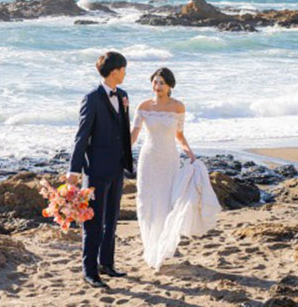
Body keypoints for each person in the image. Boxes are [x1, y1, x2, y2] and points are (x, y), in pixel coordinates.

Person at [130, 67, 220, 270]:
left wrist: (190, 153)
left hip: (169, 158)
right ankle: (150, 245)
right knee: (146, 202)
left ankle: (163, 245)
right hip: (148, 158)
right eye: (155, 82)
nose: (158, 86)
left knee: (166, 202)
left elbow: (179, 135)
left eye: (162, 82)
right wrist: (122, 152)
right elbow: (134, 134)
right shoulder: (144, 106)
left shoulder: (178, 107)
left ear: (170, 85)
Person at [67, 51, 134, 289]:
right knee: (93, 222)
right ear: (114, 72)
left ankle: (107, 263)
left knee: (112, 219)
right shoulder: (91, 98)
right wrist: (74, 170)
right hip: (95, 169)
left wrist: (127, 161)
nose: (125, 73)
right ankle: (90, 271)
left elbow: (123, 131)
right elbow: (82, 136)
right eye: (123, 69)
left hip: (117, 167)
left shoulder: (123, 95)